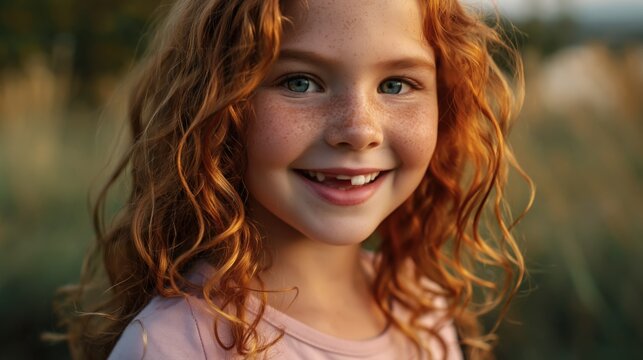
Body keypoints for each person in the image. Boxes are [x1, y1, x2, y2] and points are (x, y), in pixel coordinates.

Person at [57, 0, 533, 359]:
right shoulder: (174, 345)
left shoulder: (420, 310)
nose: (359, 130)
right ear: (216, 105)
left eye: (396, 85)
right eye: (300, 82)